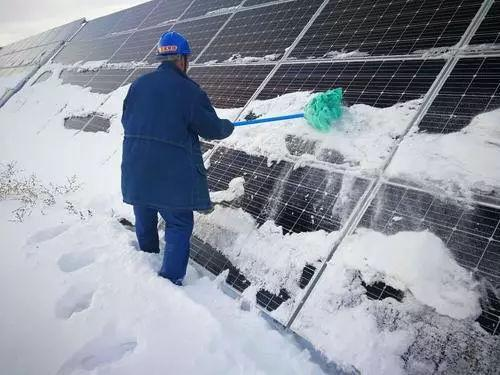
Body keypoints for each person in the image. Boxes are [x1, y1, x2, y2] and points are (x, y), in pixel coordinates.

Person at [121, 31, 234, 286]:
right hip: (170, 175)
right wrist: (228, 126)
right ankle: (169, 281)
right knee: (179, 223)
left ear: (162, 56)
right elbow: (212, 129)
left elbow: (126, 120)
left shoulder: (138, 85)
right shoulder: (189, 91)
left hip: (136, 168)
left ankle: (147, 258)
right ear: (183, 59)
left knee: (144, 212)